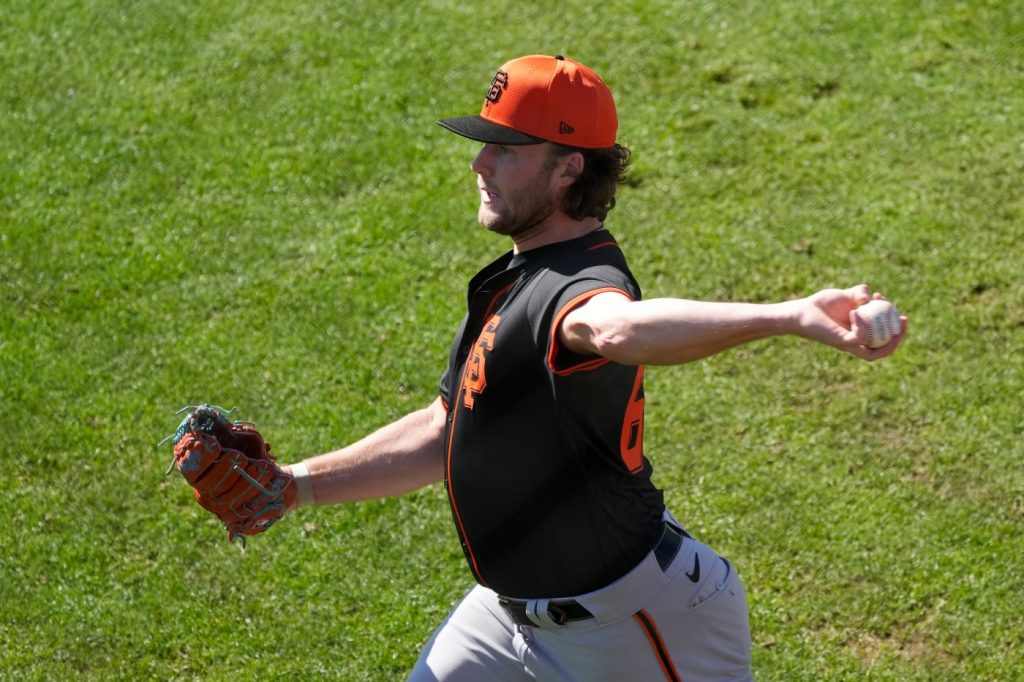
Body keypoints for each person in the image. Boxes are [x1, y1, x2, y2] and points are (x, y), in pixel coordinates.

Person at [272, 55, 906, 681]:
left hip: (637, 631)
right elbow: (445, 430)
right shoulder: (514, 280)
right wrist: (294, 486)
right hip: (503, 621)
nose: (478, 164)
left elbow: (615, 327)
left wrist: (787, 316)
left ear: (566, 169)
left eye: (506, 150)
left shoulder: (581, 283)